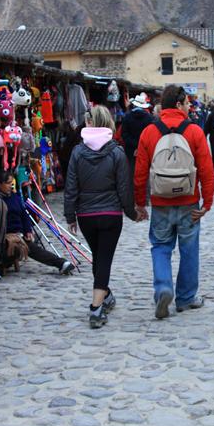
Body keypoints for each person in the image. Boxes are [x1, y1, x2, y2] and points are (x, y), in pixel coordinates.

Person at [134, 84, 214, 319]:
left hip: (160, 202)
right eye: (188, 103)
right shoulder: (194, 131)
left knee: (160, 247)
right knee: (189, 249)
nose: (190, 107)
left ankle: (163, 288)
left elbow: (140, 173)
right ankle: (186, 297)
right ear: (179, 104)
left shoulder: (149, 132)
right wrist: (206, 203)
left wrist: (140, 203)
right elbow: (207, 169)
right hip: (189, 202)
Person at [64, 105, 138, 328]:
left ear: (88, 123)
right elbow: (124, 188)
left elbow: (71, 187)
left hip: (86, 214)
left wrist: (70, 216)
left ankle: (105, 295)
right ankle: (96, 309)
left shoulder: (77, 152)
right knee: (103, 259)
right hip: (110, 214)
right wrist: (131, 212)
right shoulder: (116, 152)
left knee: (99, 257)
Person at [0, 171, 76, 280]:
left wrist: (27, 230)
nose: (11, 186)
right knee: (14, 246)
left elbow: (23, 214)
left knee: (31, 247)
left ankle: (61, 264)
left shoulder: (13, 196)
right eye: (8, 183)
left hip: (17, 236)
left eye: (12, 183)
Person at [121, 92, 154, 178]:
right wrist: (140, 146)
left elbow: (124, 135)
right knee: (144, 174)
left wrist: (135, 146)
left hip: (130, 151)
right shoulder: (150, 118)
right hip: (145, 150)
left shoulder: (126, 117)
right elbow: (150, 136)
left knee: (131, 174)